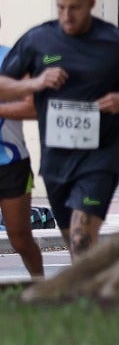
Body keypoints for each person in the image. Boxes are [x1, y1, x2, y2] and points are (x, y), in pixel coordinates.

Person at [0, 0, 119, 258]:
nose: (67, 16)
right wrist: (35, 82)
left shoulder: (116, 42)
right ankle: (84, 294)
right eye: (60, 7)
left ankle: (86, 299)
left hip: (99, 159)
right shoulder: (38, 40)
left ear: (91, 4)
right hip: (56, 162)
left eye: (75, 8)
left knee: (82, 238)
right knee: (74, 242)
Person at [0, 15, 44, 278]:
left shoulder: (12, 61)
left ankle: (41, 288)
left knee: (19, 239)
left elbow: (34, 107)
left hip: (12, 164)